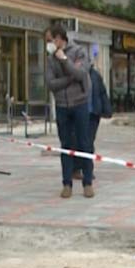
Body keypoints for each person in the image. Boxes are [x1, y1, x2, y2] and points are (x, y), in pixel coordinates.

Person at [45, 25, 94, 199]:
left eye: (50, 40)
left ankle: (88, 182)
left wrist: (65, 59)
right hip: (62, 105)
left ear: (59, 39)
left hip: (79, 103)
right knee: (65, 145)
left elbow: (80, 74)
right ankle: (67, 183)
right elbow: (51, 83)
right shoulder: (50, 59)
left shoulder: (79, 51)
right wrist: (68, 79)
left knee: (84, 143)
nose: (49, 44)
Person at [73, 61, 113, 181]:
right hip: (79, 113)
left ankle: (88, 170)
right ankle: (76, 168)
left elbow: (102, 93)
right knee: (78, 142)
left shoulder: (95, 75)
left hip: (93, 114)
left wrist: (107, 109)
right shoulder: (75, 75)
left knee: (89, 143)